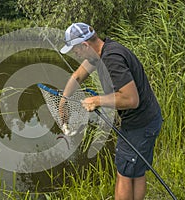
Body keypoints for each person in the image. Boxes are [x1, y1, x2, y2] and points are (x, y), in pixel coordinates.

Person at [59, 22, 163, 200]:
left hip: (140, 124)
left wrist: (97, 100)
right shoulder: (99, 54)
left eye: (75, 50)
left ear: (85, 45)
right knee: (136, 170)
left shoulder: (112, 58)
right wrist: (63, 101)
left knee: (124, 173)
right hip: (148, 120)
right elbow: (77, 76)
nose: (74, 54)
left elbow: (131, 99)